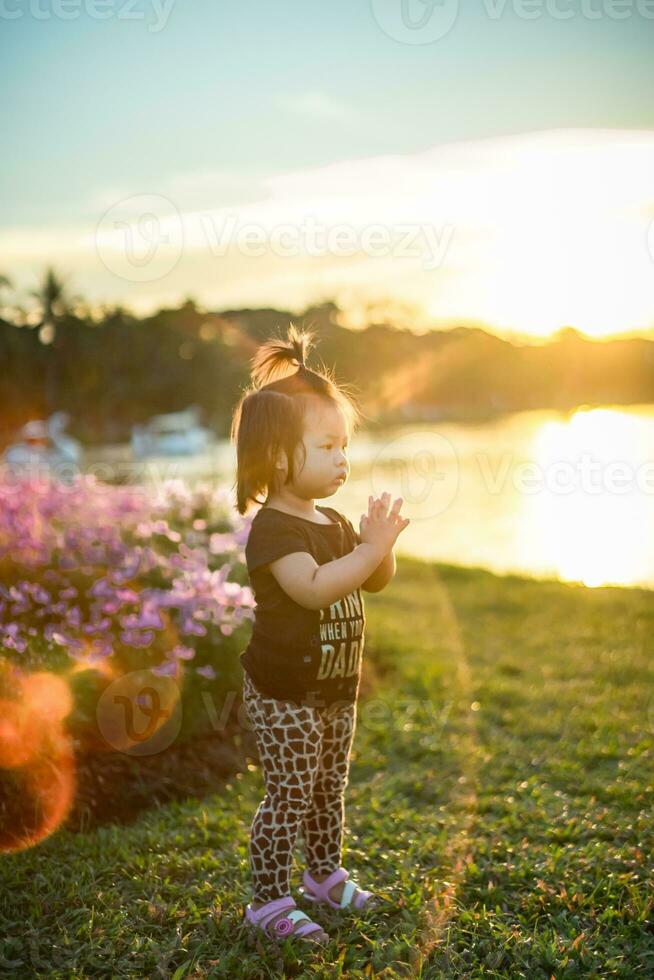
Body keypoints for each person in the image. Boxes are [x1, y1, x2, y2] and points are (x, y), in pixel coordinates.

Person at [230, 323, 410, 948]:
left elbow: (372, 581)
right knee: (290, 792)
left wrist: (377, 546)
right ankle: (268, 900)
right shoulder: (274, 530)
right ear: (280, 457)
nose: (343, 459)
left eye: (345, 447)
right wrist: (365, 553)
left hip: (336, 688)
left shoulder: (332, 520)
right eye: (329, 446)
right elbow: (313, 587)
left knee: (329, 786)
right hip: (283, 692)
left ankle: (324, 873)